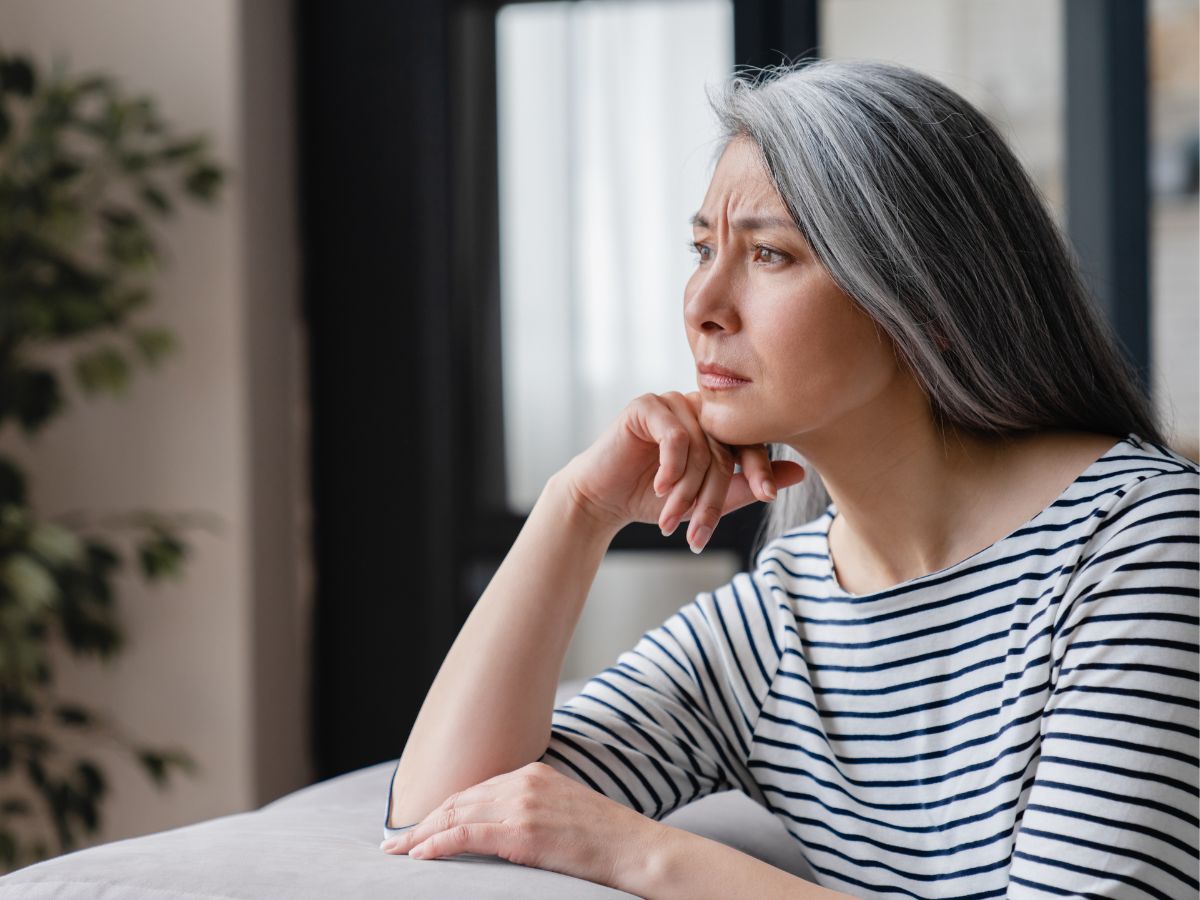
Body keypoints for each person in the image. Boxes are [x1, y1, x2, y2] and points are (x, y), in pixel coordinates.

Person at [378, 59, 1200, 898]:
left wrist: (648, 856)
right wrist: (576, 510)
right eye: (702, 248)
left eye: (769, 254)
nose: (702, 301)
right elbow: (446, 817)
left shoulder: (1141, 544)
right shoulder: (784, 620)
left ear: (931, 303)